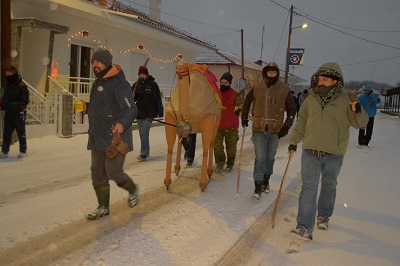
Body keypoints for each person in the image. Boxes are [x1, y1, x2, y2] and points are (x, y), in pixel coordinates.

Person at [288, 62, 368, 240]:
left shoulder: (347, 100)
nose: (321, 82)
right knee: (308, 188)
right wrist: (294, 142)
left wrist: (357, 108)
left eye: (325, 79)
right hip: (310, 151)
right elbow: (301, 123)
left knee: (329, 186)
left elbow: (360, 123)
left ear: (336, 81)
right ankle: (303, 227)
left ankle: (323, 215)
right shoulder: (310, 99)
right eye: (319, 78)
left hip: (334, 152)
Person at [85, 49, 140, 220]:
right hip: (97, 135)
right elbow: (105, 106)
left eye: (98, 62)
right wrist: (87, 108)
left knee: (113, 172)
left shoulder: (119, 83)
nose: (95, 65)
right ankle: (103, 207)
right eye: (93, 62)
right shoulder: (98, 82)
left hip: (115, 137)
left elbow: (131, 109)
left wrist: (121, 124)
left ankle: (133, 189)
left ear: (106, 63)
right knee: (97, 171)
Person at [241, 62, 296, 199]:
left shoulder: (284, 88)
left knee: (270, 157)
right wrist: (244, 117)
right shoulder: (257, 87)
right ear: (265, 72)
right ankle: (257, 185)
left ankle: (266, 180)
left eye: (274, 72)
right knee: (260, 157)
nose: (271, 74)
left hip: (275, 129)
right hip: (259, 127)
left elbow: (292, 108)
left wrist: (287, 125)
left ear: (277, 73)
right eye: (269, 72)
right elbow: (247, 101)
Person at [214, 72, 243, 173]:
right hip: (218, 125)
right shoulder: (216, 94)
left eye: (226, 83)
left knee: (231, 147)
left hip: (231, 126)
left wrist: (239, 109)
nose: (223, 84)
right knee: (217, 147)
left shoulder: (235, 94)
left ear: (230, 83)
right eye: (221, 82)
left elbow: (240, 105)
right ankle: (219, 163)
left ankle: (230, 164)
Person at [132, 65, 162, 161]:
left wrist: (159, 112)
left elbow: (158, 99)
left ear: (146, 74)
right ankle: (145, 151)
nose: (141, 75)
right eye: (140, 73)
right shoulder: (137, 85)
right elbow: (132, 99)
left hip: (149, 113)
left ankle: (144, 154)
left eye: (142, 73)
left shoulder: (153, 84)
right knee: (141, 133)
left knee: (144, 132)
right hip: (139, 113)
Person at [0, 66, 29, 159]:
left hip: (19, 113)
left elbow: (24, 101)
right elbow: (4, 97)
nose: (7, 76)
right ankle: (4, 151)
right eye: (6, 74)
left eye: (9, 74)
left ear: (14, 74)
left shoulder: (22, 86)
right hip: (9, 113)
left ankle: (23, 150)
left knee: (21, 132)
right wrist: (2, 103)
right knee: (7, 132)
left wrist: (12, 105)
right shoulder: (7, 85)